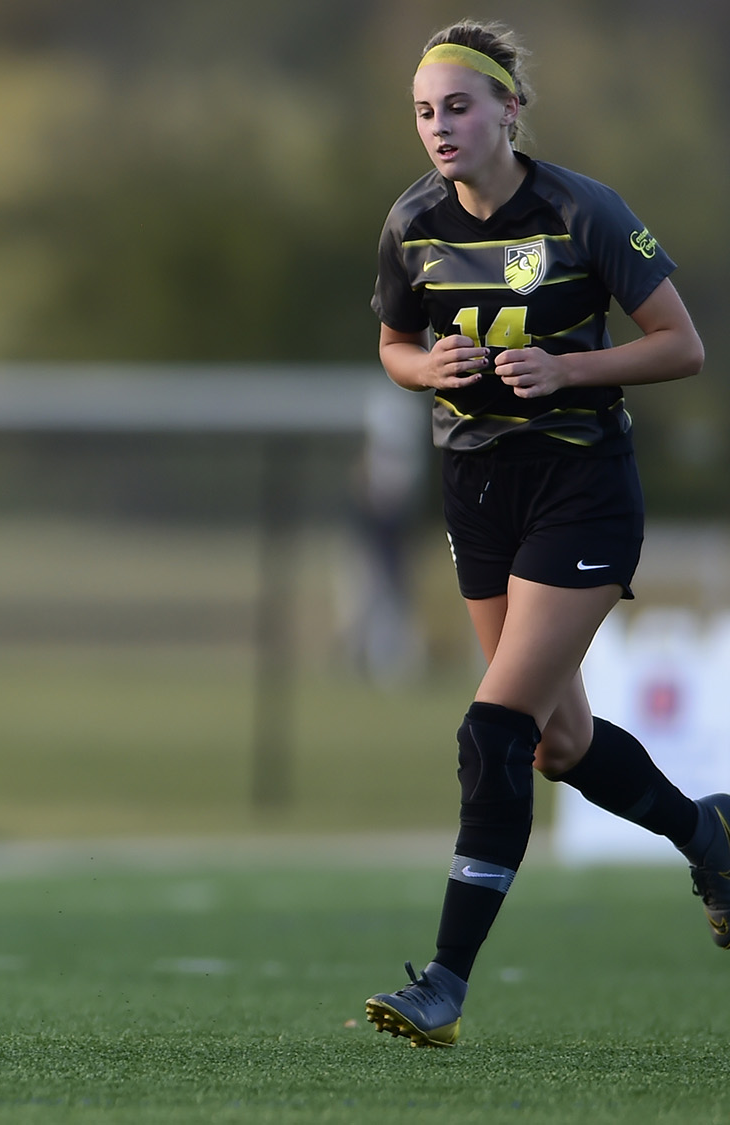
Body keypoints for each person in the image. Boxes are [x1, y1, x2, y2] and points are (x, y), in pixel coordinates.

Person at [363, 22, 721, 1048]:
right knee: (556, 742)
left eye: (458, 106)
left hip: (580, 490)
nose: (439, 126)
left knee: (493, 733)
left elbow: (679, 348)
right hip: (475, 493)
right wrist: (423, 370)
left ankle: (443, 980)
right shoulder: (410, 221)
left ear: (507, 111)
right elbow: (392, 341)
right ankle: (711, 837)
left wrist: (566, 370)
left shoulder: (581, 209)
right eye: (424, 112)